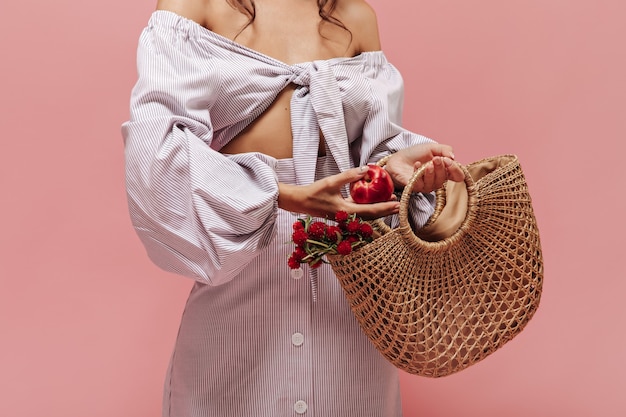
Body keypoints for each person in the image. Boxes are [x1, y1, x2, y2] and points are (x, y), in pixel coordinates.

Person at [122, 0, 465, 416]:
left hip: (349, 317)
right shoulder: (194, 8)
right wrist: (282, 195)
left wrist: (390, 169)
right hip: (237, 313)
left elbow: (370, 161)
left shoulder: (356, 18)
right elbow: (158, 158)